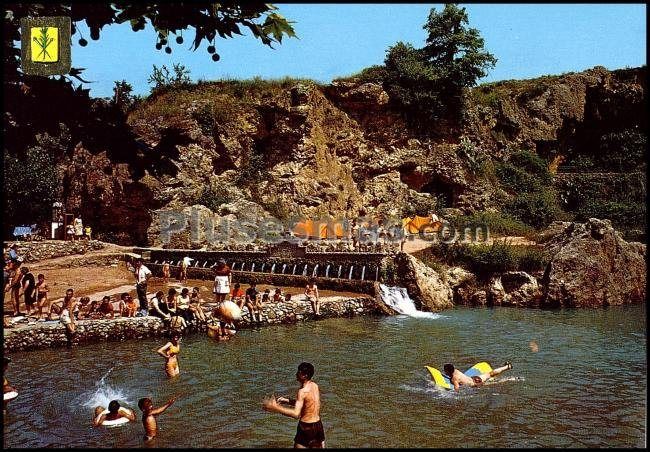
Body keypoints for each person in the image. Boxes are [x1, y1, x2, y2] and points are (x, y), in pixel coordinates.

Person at [262, 362, 325, 448]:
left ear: (305, 375)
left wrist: (276, 407)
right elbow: (307, 404)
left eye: (298, 372)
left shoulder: (302, 392)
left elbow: (296, 414)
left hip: (306, 427)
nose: (296, 374)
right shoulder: (314, 386)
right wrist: (287, 401)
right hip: (318, 425)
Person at [443, 362, 513, 391]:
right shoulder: (456, 370)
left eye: (445, 371)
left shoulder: (454, 379)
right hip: (475, 378)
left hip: (476, 384)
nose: (444, 372)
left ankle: (511, 379)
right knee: (490, 374)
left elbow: (457, 390)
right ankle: (507, 367)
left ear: (448, 371)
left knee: (496, 382)